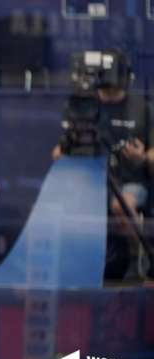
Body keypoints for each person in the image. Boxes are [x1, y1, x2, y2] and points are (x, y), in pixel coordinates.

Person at [52, 50, 154, 279]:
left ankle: (139, 258)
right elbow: (58, 152)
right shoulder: (84, 105)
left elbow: (152, 154)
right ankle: (74, 268)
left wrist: (142, 157)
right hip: (92, 182)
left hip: (130, 180)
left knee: (122, 205)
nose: (108, 96)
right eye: (105, 91)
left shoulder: (142, 107)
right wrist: (69, 150)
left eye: (114, 92)